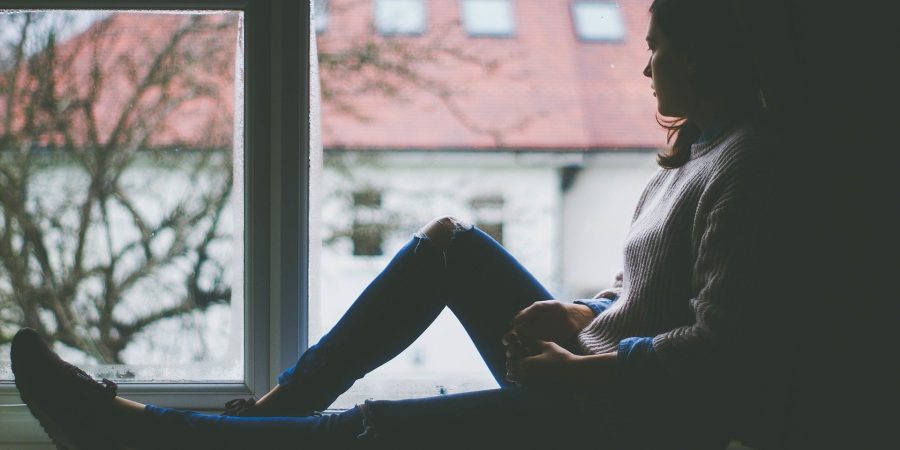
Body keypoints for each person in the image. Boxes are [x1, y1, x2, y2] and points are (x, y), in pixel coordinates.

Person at [10, 0, 779, 448]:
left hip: (632, 424)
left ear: (704, 57)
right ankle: (279, 408)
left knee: (377, 427)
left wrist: (581, 368)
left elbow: (724, 352)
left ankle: (138, 433)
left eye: (659, 51)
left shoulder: (747, 166)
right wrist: (579, 312)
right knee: (451, 243)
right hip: (598, 378)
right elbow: (640, 292)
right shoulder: (692, 154)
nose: (647, 69)